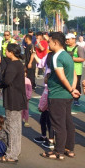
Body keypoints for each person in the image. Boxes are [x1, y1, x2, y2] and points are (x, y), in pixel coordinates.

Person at [41, 32, 79, 160]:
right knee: (68, 122)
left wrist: (70, 89)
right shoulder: (68, 55)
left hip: (58, 94)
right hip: (67, 95)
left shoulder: (56, 56)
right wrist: (72, 89)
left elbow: (61, 76)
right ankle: (69, 149)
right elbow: (74, 74)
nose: (49, 44)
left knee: (58, 124)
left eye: (50, 42)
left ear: (56, 43)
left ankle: (59, 151)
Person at [0, 44, 27, 164]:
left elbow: (7, 81)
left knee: (12, 127)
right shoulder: (19, 63)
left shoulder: (12, 65)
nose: (5, 53)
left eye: (7, 51)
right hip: (18, 98)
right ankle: (15, 151)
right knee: (17, 126)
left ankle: (11, 155)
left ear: (11, 52)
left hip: (12, 98)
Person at [33, 73, 54, 150]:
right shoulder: (46, 88)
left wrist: (41, 108)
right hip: (44, 109)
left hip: (47, 110)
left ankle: (51, 140)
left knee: (50, 125)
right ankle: (43, 136)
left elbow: (46, 101)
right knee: (42, 121)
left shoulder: (49, 89)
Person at [65, 33, 84, 106]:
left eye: (68, 39)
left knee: (76, 85)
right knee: (66, 83)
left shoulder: (79, 48)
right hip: (67, 69)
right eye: (66, 39)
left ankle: (76, 99)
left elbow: (82, 58)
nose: (67, 41)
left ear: (73, 39)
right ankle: (67, 98)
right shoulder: (64, 47)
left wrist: (72, 58)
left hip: (77, 70)